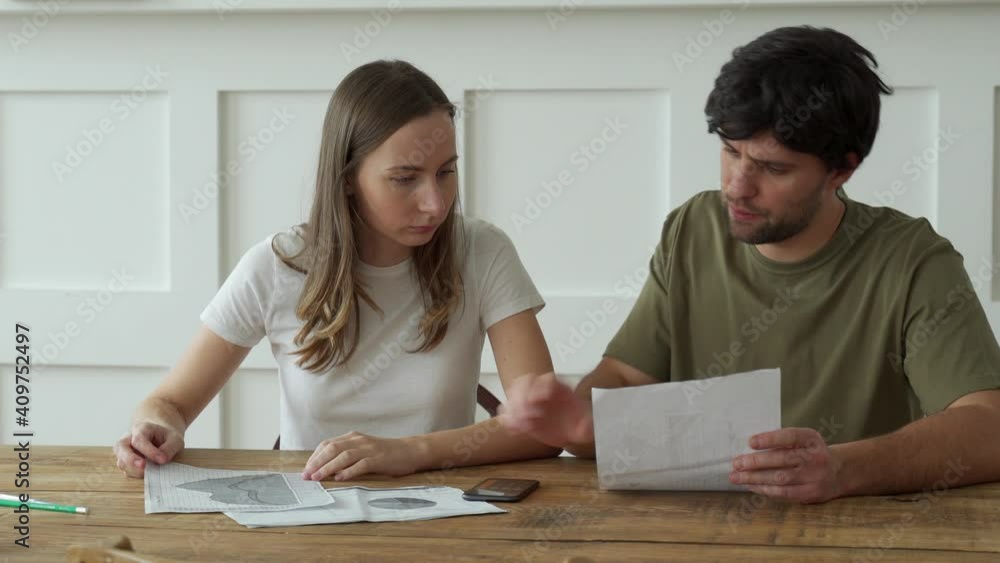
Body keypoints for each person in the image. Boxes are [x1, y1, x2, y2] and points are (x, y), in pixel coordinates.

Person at [500, 25, 1000, 504]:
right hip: (696, 532)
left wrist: (844, 469)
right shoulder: (693, 227)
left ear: (842, 169)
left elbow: (987, 428)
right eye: (730, 151)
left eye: (773, 168)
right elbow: (629, 380)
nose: (737, 186)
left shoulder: (912, 260)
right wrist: (583, 418)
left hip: (859, 533)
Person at [113, 60, 560, 481]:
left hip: (442, 518)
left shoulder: (483, 252)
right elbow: (169, 403)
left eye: (445, 172)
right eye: (405, 178)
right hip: (309, 518)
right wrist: (155, 428)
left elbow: (544, 428)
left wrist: (409, 452)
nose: (435, 202)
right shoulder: (277, 266)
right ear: (347, 177)